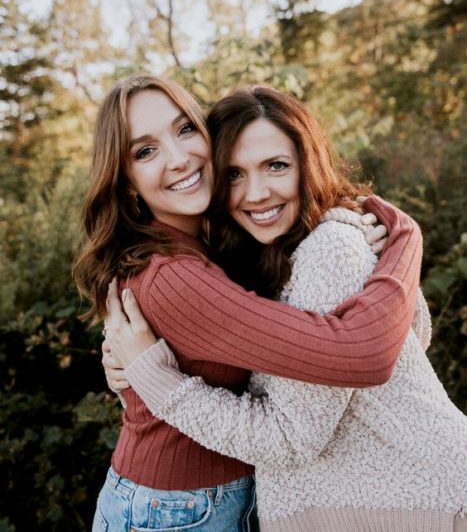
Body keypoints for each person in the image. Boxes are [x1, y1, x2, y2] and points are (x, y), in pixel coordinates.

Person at [103, 86, 467, 532]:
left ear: (307, 164)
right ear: (124, 179)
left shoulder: (292, 248)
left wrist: (401, 243)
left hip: (413, 506)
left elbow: (393, 348)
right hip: (178, 508)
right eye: (235, 174)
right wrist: (142, 376)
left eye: (275, 165)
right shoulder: (187, 267)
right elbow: (370, 353)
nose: (255, 192)